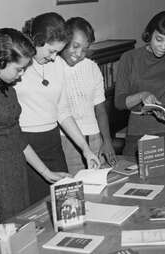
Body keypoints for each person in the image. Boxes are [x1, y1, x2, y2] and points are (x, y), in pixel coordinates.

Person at [0, 28, 68, 228]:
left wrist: (46, 173)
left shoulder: (5, 86)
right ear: (1, 61)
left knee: (27, 232)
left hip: (18, 173)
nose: (21, 75)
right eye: (19, 69)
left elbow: (16, 136)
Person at [15, 12, 100, 204]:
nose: (54, 58)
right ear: (36, 40)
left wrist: (85, 149)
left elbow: (63, 112)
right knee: (32, 209)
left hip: (52, 143)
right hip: (25, 145)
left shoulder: (57, 65)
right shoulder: (17, 66)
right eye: (51, 51)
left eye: (57, 52)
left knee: (63, 204)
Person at [114, 11, 165, 156]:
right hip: (136, 132)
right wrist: (142, 95)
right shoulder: (129, 58)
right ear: (149, 34)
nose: (163, 46)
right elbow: (119, 102)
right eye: (159, 39)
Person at [60, 17, 116, 174]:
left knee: (99, 182)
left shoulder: (92, 68)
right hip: (66, 139)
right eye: (75, 46)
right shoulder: (54, 67)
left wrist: (107, 140)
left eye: (84, 49)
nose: (79, 54)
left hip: (94, 136)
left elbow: (100, 109)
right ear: (64, 41)